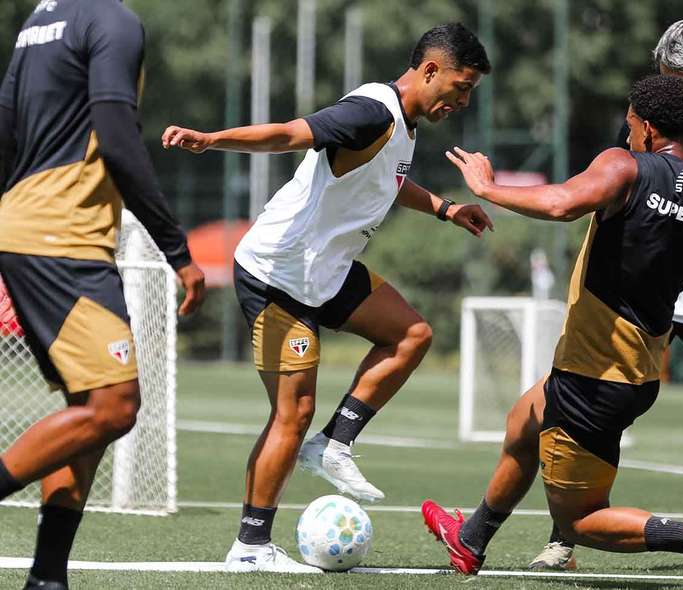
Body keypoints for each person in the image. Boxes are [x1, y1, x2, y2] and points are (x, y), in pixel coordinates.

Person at [420, 74, 683, 590]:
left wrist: (486, 188)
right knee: (523, 421)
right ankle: (471, 538)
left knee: (579, 521)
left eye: (630, 126)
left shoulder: (624, 167)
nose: (627, 135)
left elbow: (563, 203)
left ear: (649, 129)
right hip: (638, 372)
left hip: (591, 375)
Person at [163, 23, 492, 573]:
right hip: (278, 274)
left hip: (328, 271)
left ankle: (334, 445)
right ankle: (250, 546)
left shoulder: (402, 128)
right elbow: (292, 133)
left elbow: (387, 180)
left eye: (470, 92)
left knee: (411, 334)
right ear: (430, 70)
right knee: (292, 413)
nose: (462, 100)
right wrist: (212, 139)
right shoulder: (372, 112)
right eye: (460, 86)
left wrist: (445, 208)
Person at [530, 18, 683, 575]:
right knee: (595, 414)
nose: (671, 85)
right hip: (643, 304)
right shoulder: (646, 123)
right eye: (664, 73)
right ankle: (566, 534)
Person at [0, 1, 205, 589]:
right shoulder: (113, 21)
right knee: (114, 407)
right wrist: (177, 251)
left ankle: (47, 578)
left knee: (90, 410)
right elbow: (116, 135)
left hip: (33, 227)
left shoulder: (38, 23)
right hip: (62, 237)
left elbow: (6, 127)